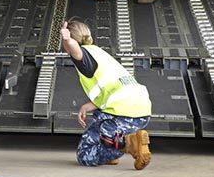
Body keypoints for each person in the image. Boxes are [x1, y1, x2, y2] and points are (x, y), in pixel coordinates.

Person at [60, 19, 152, 169]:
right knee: (97, 121)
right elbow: (109, 88)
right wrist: (87, 106)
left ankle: (128, 143)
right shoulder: (99, 53)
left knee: (85, 155)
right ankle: (110, 151)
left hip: (122, 114)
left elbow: (76, 51)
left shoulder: (84, 55)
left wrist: (67, 40)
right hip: (141, 112)